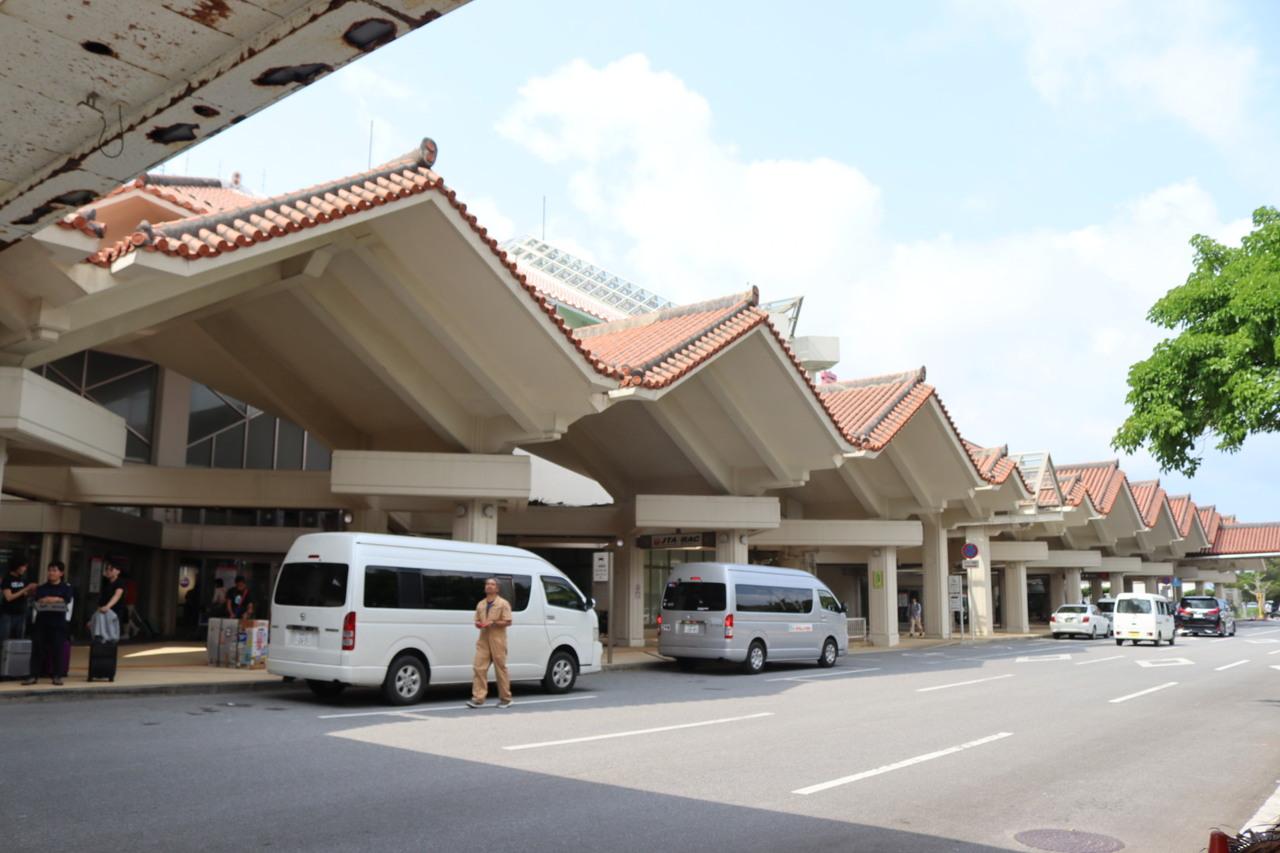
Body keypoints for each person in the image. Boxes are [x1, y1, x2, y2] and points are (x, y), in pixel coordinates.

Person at [22, 561, 73, 686]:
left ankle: (57, 676)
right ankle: (33, 675)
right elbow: (39, 599)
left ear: (61, 573)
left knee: (57, 650)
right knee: (37, 649)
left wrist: (50, 599)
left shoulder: (66, 588)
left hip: (58, 624)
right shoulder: (42, 587)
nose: (51, 573)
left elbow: (65, 600)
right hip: (42, 623)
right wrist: (56, 599)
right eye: (50, 570)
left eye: (54, 570)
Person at [467, 578, 513, 709]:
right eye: (487, 584)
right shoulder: (481, 604)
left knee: (500, 669)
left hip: (498, 640)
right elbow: (477, 620)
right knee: (478, 667)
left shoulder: (503, 603)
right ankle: (478, 698)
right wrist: (478, 624)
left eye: (492, 584)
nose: (489, 586)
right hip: (483, 640)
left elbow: (508, 621)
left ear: (497, 588)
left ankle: (506, 699)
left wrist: (493, 622)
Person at [1, 557, 36, 640]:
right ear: (17, 566)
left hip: (21, 612)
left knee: (19, 639)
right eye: (23, 566)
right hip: (8, 614)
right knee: (5, 639)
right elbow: (9, 597)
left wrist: (31, 591)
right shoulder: (7, 579)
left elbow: (24, 594)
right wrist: (26, 588)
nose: (25, 569)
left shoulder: (23, 579)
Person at [91, 562, 126, 639]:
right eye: (107, 569)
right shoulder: (106, 584)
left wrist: (107, 606)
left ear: (118, 571)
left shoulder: (120, 582)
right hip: (104, 613)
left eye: (111, 569)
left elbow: (117, 595)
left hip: (115, 612)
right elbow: (101, 602)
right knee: (101, 634)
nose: (108, 571)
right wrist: (94, 617)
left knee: (111, 634)